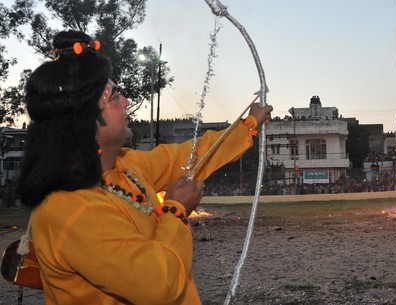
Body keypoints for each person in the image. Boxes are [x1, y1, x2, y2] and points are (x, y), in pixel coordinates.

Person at [16, 30, 272, 305]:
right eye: (114, 96)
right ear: (85, 119)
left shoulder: (126, 165)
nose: (126, 102)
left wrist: (248, 126)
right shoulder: (69, 209)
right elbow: (159, 285)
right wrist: (174, 210)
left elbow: (189, 156)